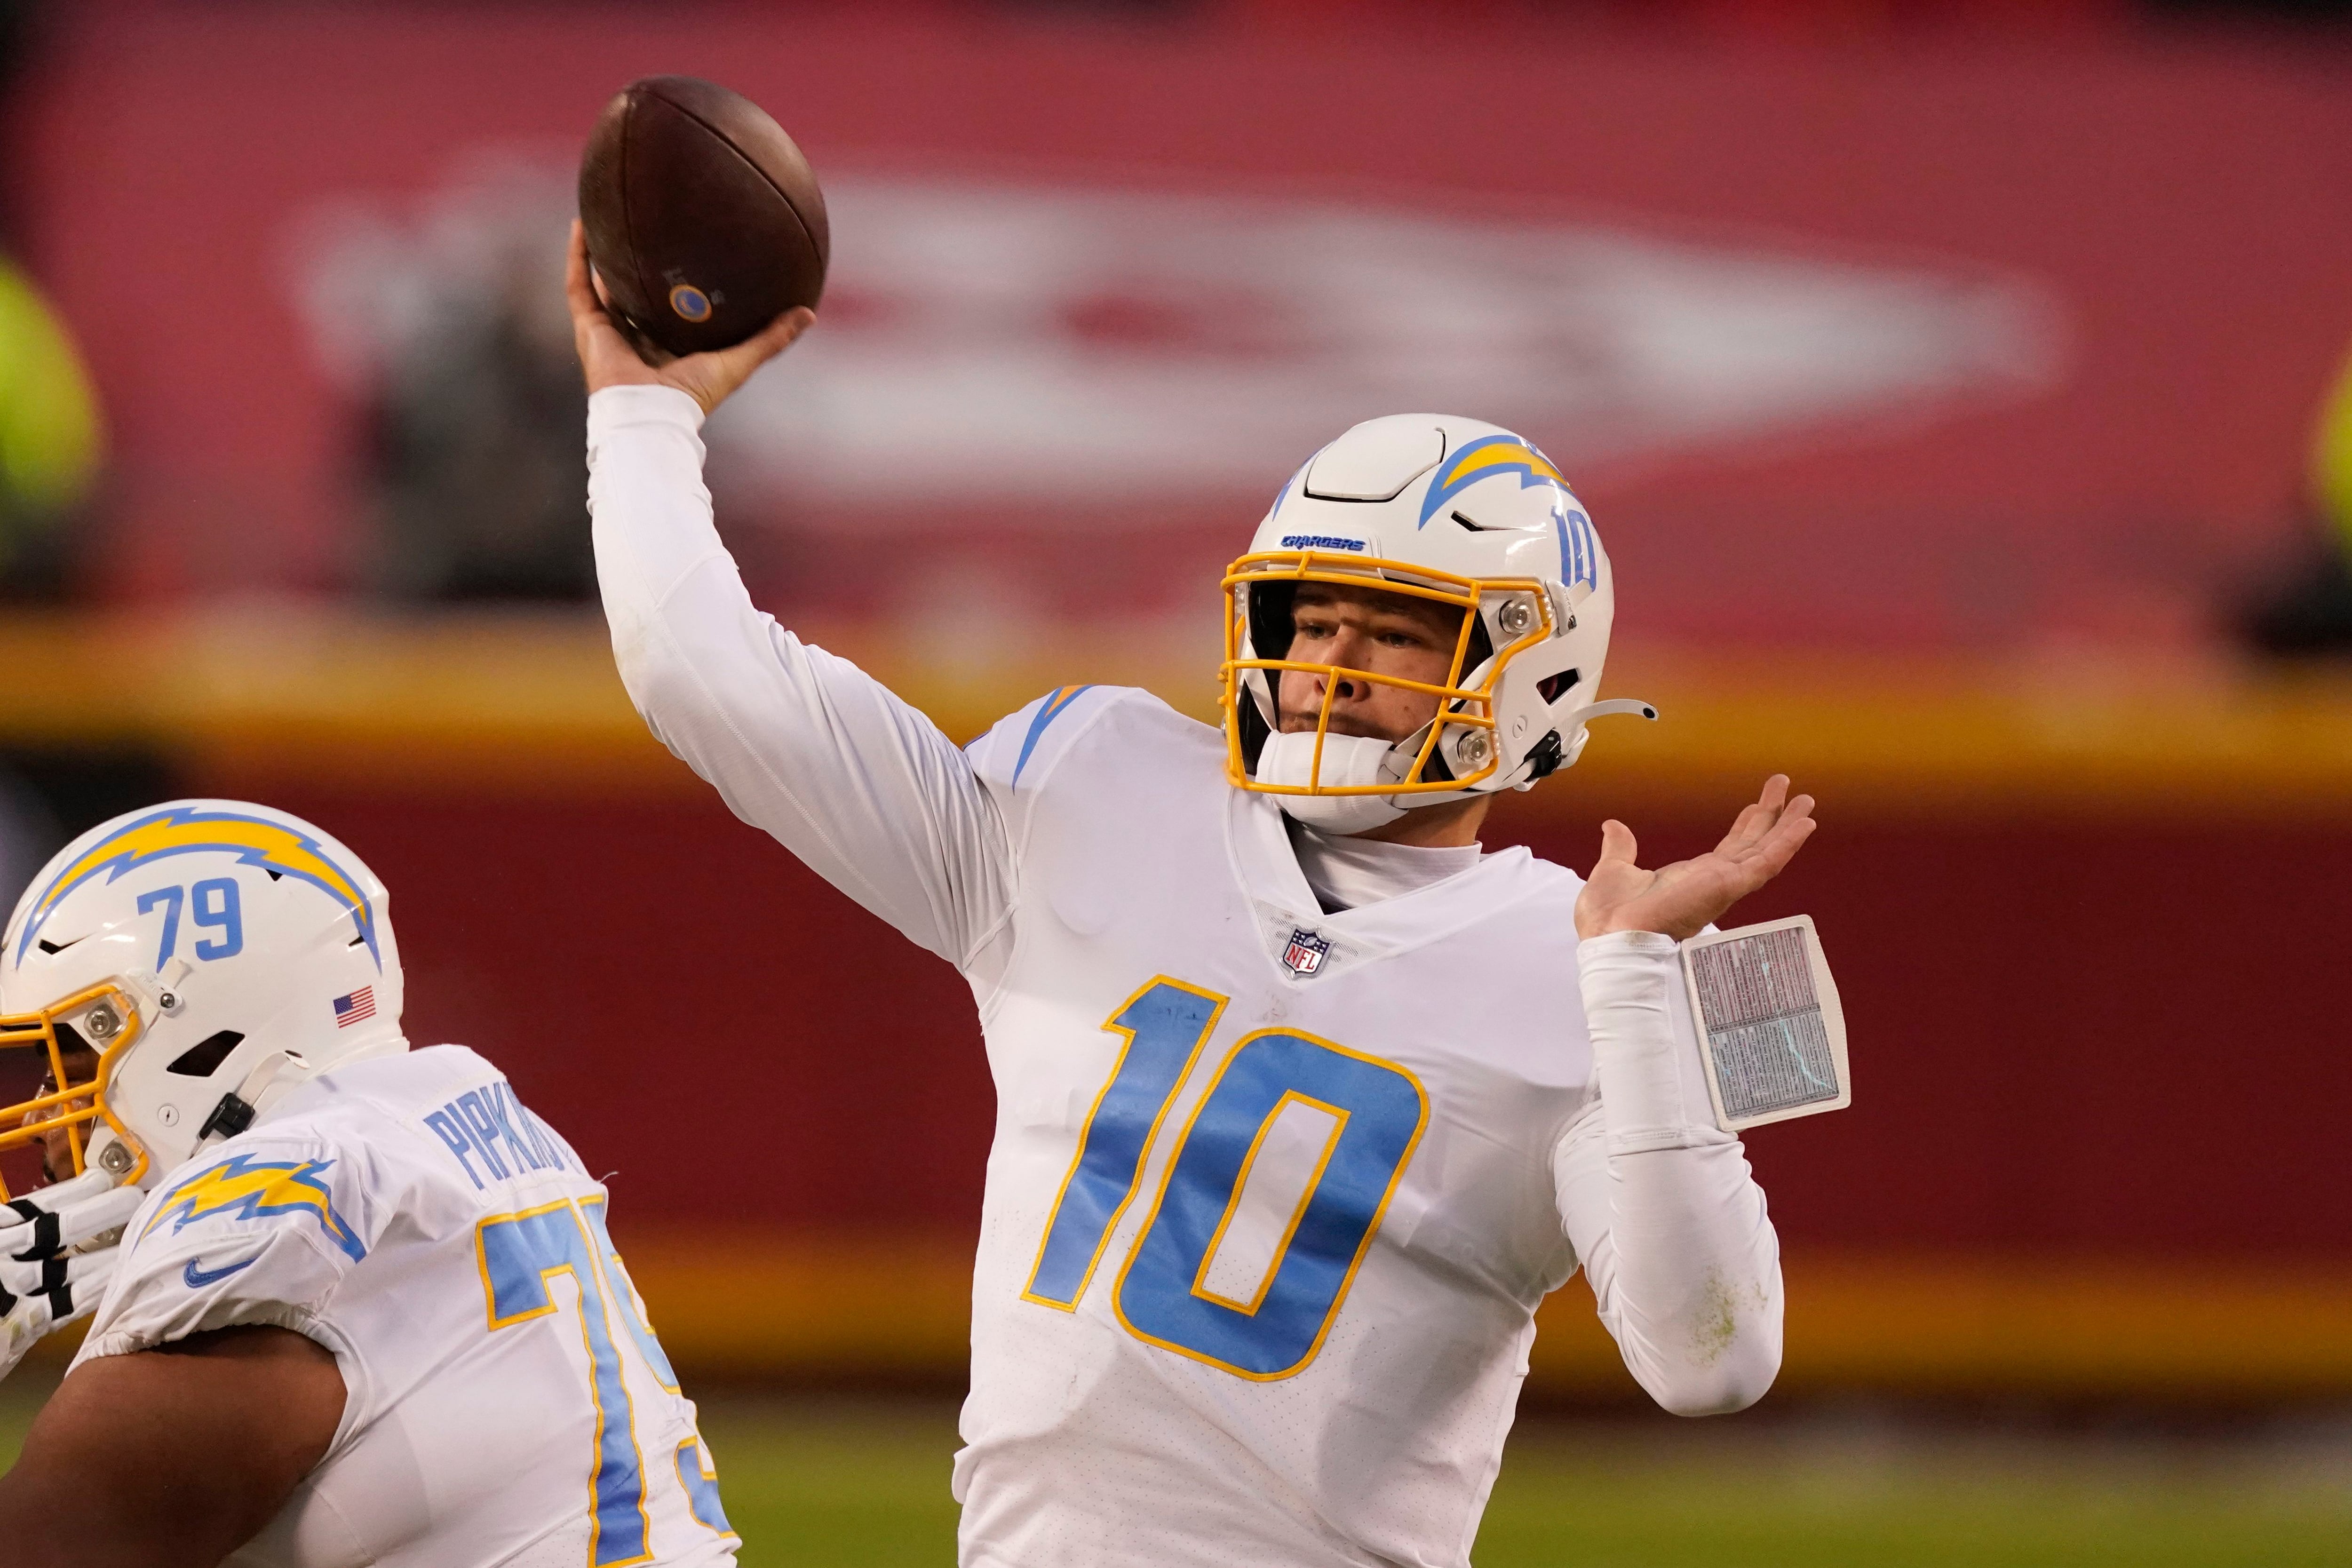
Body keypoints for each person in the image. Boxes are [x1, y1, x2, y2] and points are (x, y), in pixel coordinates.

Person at [570, 219, 1813, 1568]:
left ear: (1537, 678)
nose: (1329, 665)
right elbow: (708, 677)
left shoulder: (1592, 968)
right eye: (1305, 618)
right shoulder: (1099, 782)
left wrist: (1634, 984)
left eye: (1397, 630)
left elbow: (1715, 1358)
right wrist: (645, 412)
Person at [0, 799, 738, 1568]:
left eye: (77, 1069)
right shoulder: (442, 1117)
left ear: (201, 1037)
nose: (54, 1133)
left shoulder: (275, 1204)